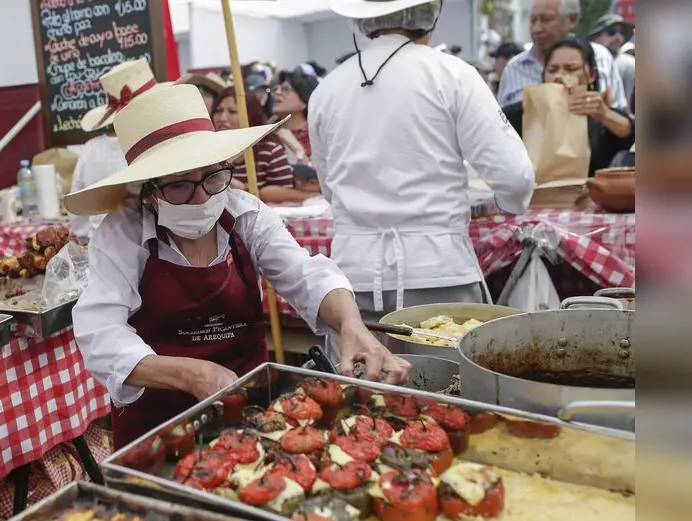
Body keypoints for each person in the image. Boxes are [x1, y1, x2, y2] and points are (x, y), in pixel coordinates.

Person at [65, 83, 410, 448]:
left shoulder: (245, 214)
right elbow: (100, 334)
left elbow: (306, 274)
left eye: (213, 176)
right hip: (156, 429)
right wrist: (187, 373)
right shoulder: (123, 233)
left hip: (249, 413)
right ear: (148, 190)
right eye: (180, 185)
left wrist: (351, 324)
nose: (203, 197)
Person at [311, 0, 535, 358]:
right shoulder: (451, 73)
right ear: (431, 14)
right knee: (451, 400)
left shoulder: (326, 90)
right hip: (439, 270)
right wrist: (507, 205)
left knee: (360, 401)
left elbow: (330, 191)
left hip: (353, 279)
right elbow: (516, 178)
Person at [502, 38, 635, 176]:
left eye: (571, 69)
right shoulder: (523, 112)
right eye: (552, 70)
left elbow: (630, 134)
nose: (559, 76)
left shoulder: (599, 115)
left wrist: (605, 115)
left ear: (591, 75)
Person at [70, 59, 167, 241]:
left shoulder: (90, 149)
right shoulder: (153, 144)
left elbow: (78, 218)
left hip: (99, 245)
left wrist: (89, 238)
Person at [496, 0, 628, 113]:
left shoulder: (601, 58)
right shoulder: (514, 68)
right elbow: (501, 127)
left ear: (572, 20)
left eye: (546, 20)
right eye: (533, 20)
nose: (537, 29)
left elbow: (620, 116)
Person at [211, 86, 317, 204]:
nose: (222, 118)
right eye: (218, 110)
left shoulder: (269, 151)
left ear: (250, 116)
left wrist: (243, 189)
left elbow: (285, 200)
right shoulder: (208, 153)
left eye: (232, 112)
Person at [588, 13, 635, 112]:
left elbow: (627, 109)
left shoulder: (628, 64)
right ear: (596, 37)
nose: (618, 38)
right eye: (611, 32)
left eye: (622, 33)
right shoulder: (585, 61)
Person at [272, 71, 319, 164]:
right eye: (277, 88)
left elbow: (319, 174)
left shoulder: (316, 135)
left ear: (304, 100)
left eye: (286, 89)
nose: (277, 92)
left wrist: (297, 149)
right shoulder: (269, 133)